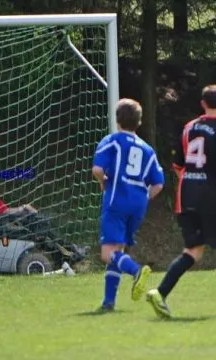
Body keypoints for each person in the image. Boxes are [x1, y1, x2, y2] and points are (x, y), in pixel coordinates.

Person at [147, 85, 216, 318]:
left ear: (203, 104)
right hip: (210, 196)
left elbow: (178, 166)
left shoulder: (189, 128)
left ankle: (160, 292)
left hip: (186, 196)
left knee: (193, 250)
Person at [92, 98, 164, 313]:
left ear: (117, 120)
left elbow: (97, 169)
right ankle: (108, 302)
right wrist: (143, 199)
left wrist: (103, 182)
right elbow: (158, 184)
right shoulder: (148, 149)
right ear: (139, 122)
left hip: (117, 199)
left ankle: (136, 271)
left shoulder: (112, 141)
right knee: (118, 251)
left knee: (107, 253)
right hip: (138, 203)